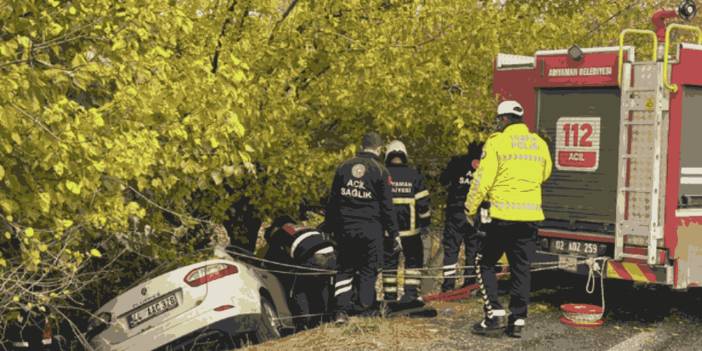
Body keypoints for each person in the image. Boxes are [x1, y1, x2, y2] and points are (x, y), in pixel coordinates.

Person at [465, 100, 552, 338]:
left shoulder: (497, 142)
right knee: (521, 269)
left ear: (503, 119)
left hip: (501, 218)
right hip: (530, 219)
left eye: (498, 120)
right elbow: (546, 173)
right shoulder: (539, 144)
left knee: (484, 262)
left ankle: (493, 314)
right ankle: (518, 321)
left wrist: (469, 208)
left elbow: (482, 181)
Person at [325, 132, 400, 324]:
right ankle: (364, 311)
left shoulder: (343, 167)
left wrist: (329, 227)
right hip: (370, 229)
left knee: (345, 269)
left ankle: (341, 311)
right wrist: (394, 233)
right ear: (379, 148)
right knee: (368, 269)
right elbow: (387, 207)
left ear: (362, 146)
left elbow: (333, 201)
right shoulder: (381, 171)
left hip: (345, 228)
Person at [263, 215, 336, 330]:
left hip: (313, 257)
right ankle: (325, 316)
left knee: (298, 287)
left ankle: (304, 322)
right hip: (331, 253)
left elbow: (272, 256)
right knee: (323, 284)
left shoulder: (280, 232)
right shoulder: (303, 227)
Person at [381, 140, 431, 305]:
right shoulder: (414, 175)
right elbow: (423, 204)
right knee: (413, 262)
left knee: (389, 265)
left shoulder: (382, 174)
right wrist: (425, 224)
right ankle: (410, 295)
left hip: (388, 233)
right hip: (411, 232)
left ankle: (389, 299)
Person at [439, 141, 484, 292]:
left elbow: (443, 180)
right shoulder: (486, 165)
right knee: (473, 249)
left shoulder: (457, 162)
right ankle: (470, 284)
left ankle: (448, 285)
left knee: (451, 250)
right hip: (475, 213)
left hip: (455, 212)